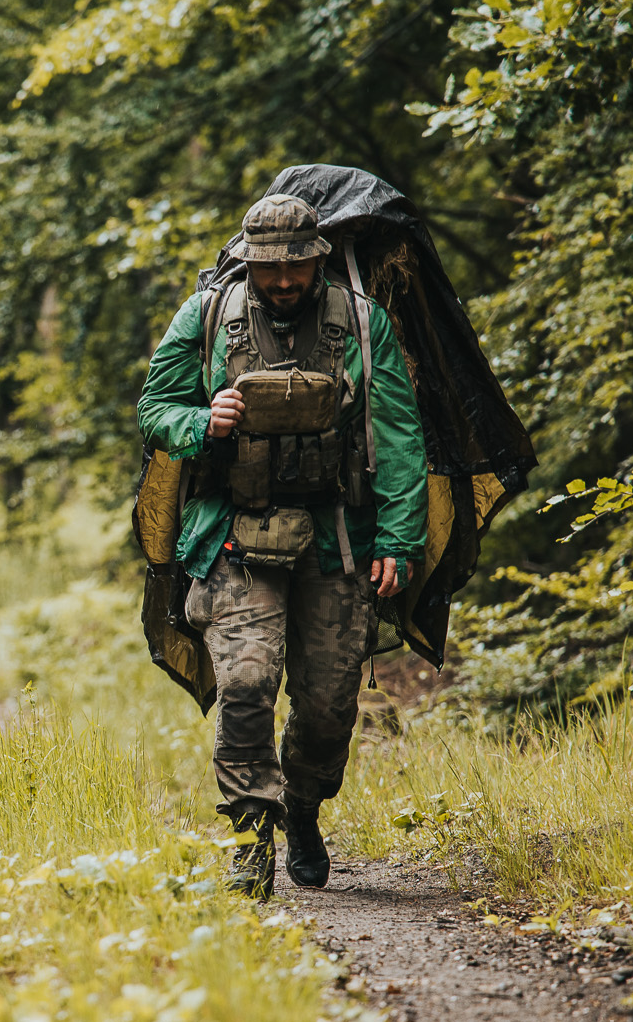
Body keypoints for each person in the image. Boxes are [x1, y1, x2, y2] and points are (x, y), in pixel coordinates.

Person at [136, 194, 426, 896]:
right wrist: (202, 421)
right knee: (245, 684)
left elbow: (397, 435)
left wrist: (398, 537)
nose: (285, 280)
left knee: (328, 708)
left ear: (318, 259)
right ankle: (249, 837)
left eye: (297, 267)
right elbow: (154, 409)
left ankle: (301, 804)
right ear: (249, 264)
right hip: (234, 536)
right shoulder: (206, 315)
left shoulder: (363, 323)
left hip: (337, 539)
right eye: (271, 269)